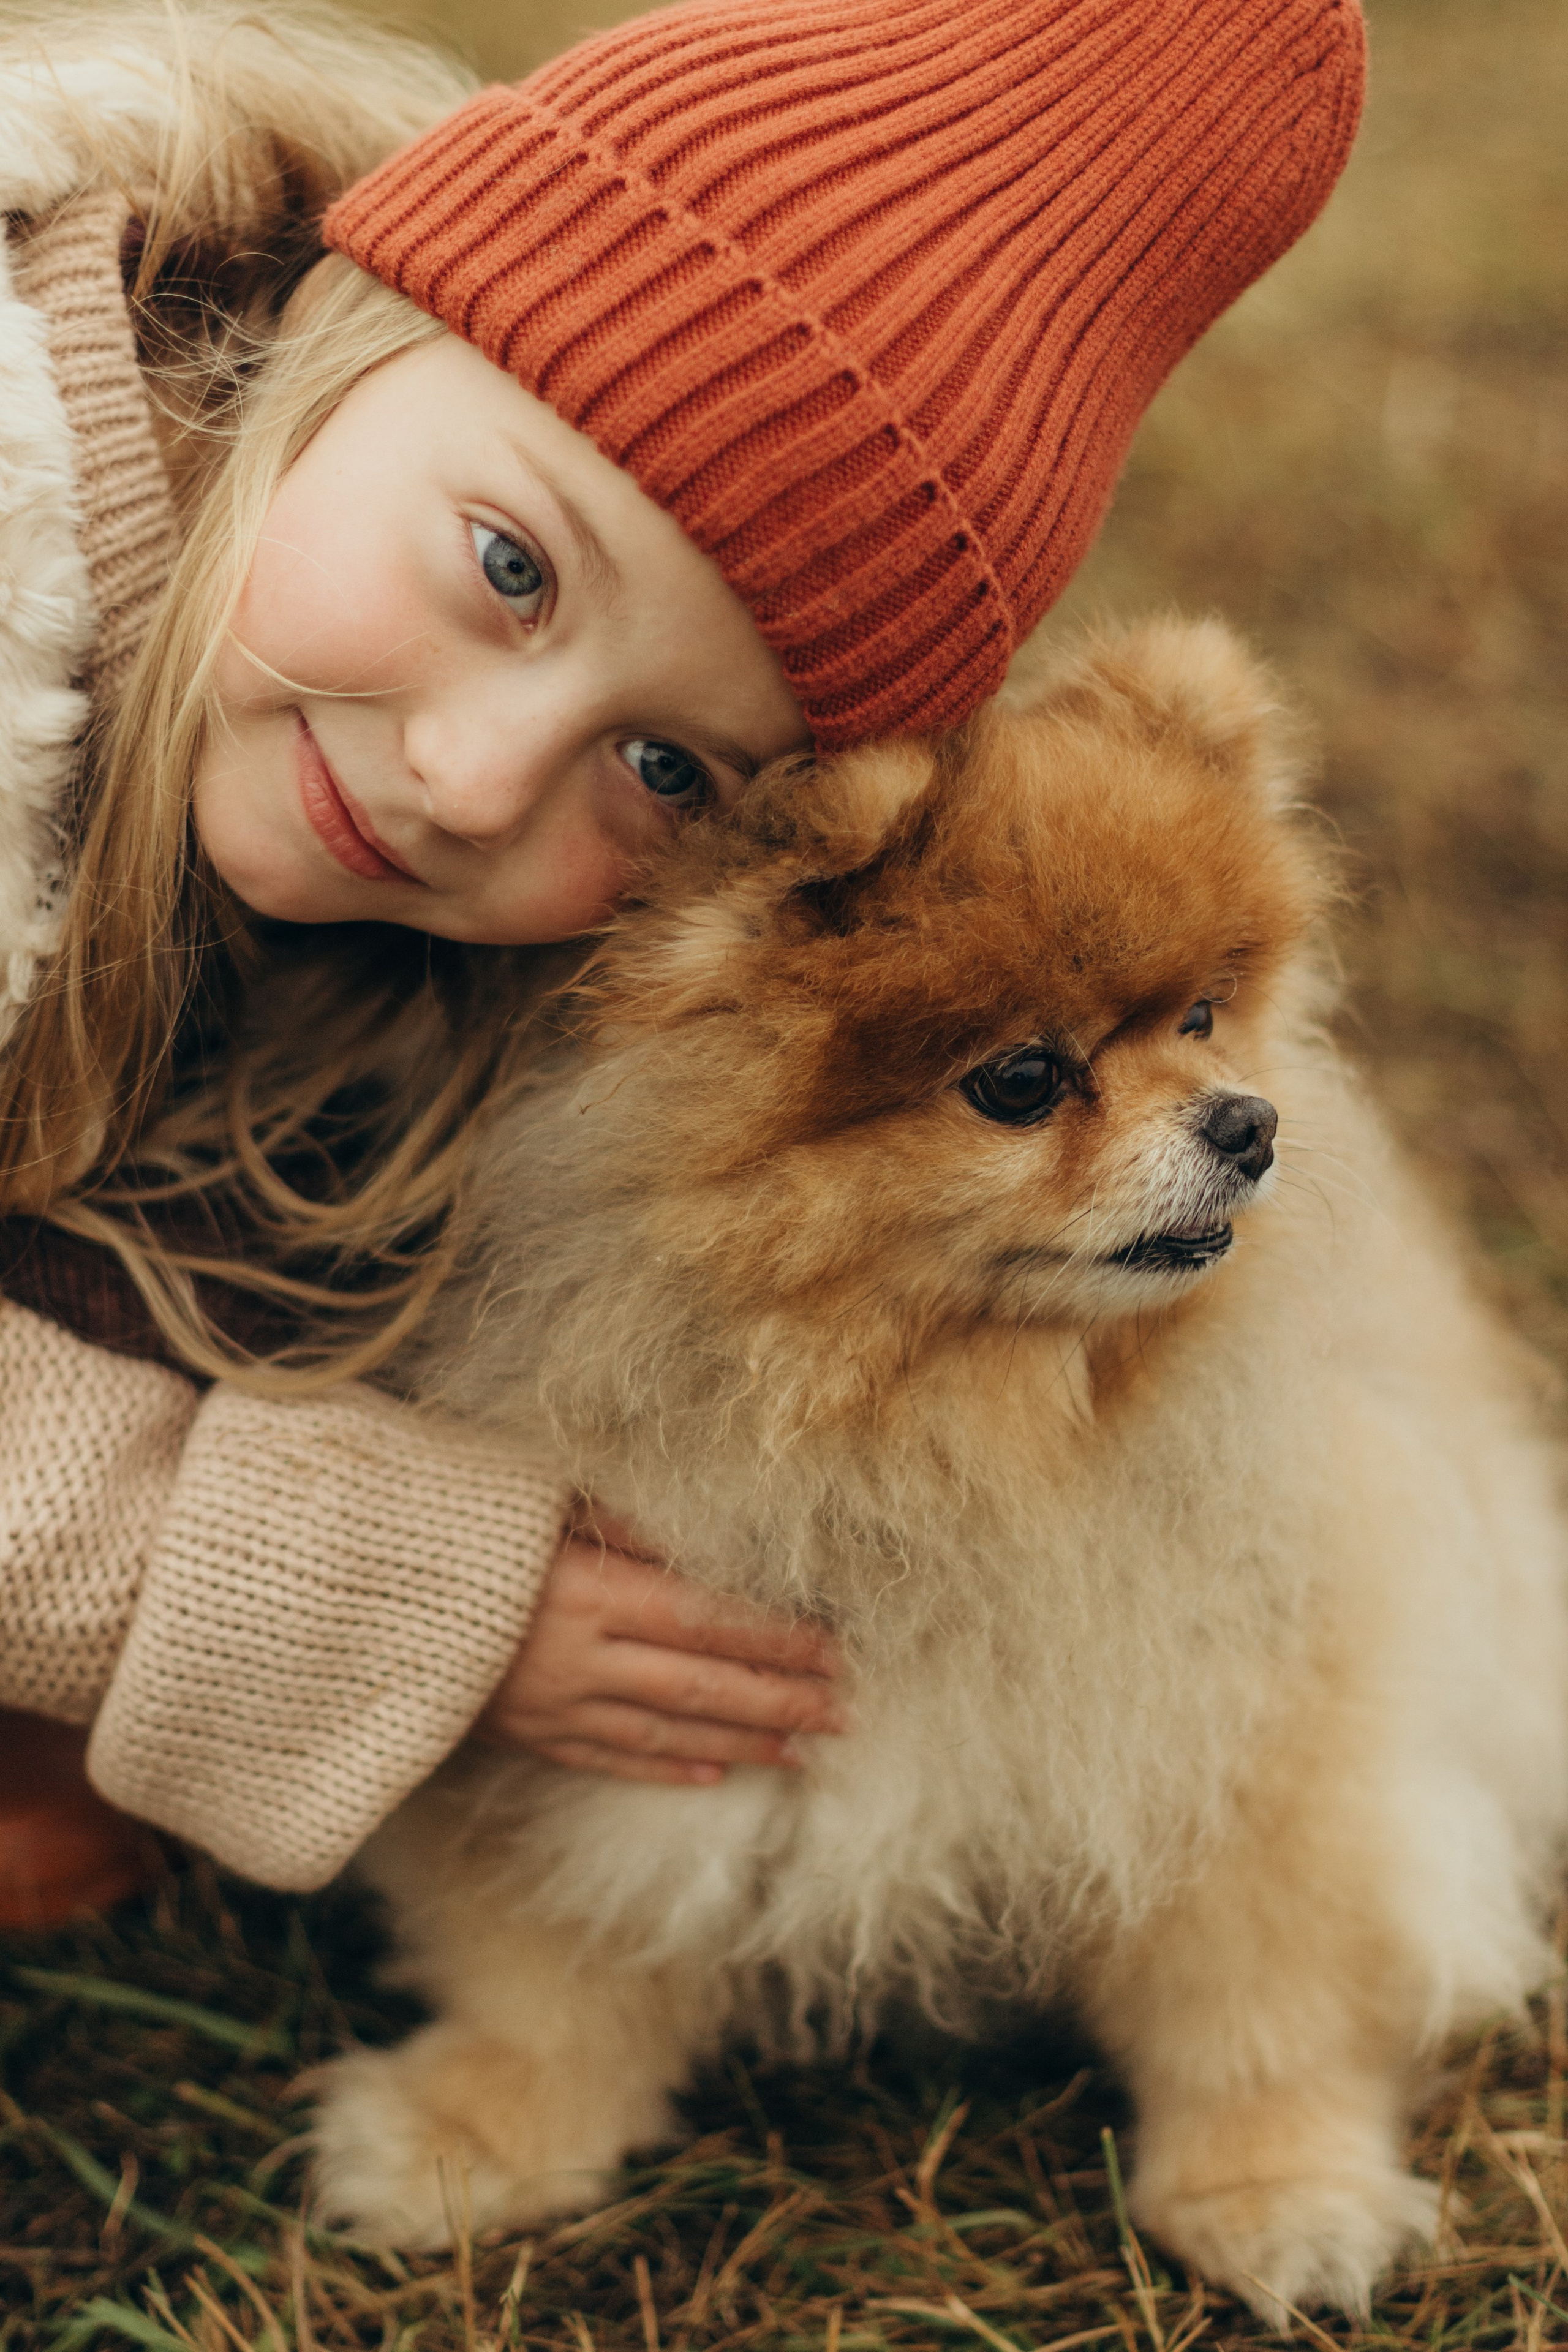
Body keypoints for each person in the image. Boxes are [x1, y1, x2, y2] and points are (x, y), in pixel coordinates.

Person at [0, 0, 1365, 1918]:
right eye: (508, 567)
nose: (473, 781)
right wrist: (369, 1592)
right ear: (348, 317)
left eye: (666, 768)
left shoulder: (450, 903)